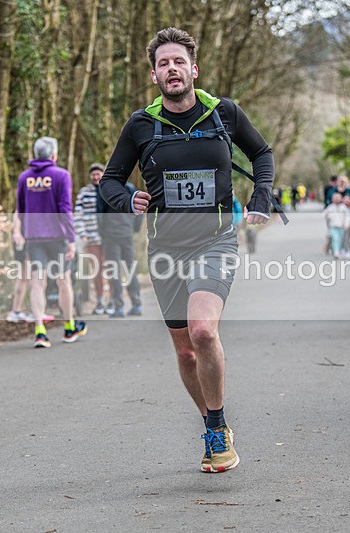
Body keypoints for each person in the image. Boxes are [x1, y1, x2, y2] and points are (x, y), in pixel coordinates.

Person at [99, 27, 273, 473]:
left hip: (214, 240)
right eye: (163, 64)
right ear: (154, 75)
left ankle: (215, 430)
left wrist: (261, 196)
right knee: (185, 352)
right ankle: (213, 420)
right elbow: (112, 180)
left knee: (202, 330)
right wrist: (126, 199)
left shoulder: (223, 114)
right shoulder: (140, 124)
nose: (171, 69)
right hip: (164, 250)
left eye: (178, 61)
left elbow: (262, 153)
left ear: (193, 69)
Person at [15, 137, 87, 348]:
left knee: (37, 282)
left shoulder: (24, 177)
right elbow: (65, 208)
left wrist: (23, 232)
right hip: (57, 237)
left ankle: (40, 331)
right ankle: (69, 326)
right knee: (63, 280)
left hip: (34, 237)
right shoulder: (61, 175)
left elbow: (21, 208)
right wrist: (71, 239)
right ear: (54, 155)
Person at [95, 165, 142, 318]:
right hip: (124, 232)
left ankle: (119, 307)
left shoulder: (105, 190)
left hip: (112, 234)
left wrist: (102, 231)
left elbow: (100, 214)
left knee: (115, 269)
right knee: (129, 268)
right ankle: (136, 304)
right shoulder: (129, 188)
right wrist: (134, 228)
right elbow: (139, 210)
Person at [74, 163, 107, 314]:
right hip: (92, 238)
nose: (96, 177)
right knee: (96, 270)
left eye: (98, 174)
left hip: (109, 238)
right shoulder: (84, 193)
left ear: (102, 174)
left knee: (111, 269)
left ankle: (112, 301)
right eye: (93, 174)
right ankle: (100, 301)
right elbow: (78, 215)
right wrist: (83, 234)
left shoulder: (108, 190)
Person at [323, 192, 350, 258]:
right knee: (335, 238)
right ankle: (336, 252)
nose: (336, 200)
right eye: (335, 198)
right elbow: (324, 213)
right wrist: (327, 215)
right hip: (333, 226)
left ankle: (339, 250)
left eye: (338, 198)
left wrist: (346, 224)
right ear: (332, 199)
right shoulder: (330, 207)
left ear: (341, 199)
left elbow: (348, 216)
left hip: (341, 226)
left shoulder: (343, 207)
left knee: (340, 239)